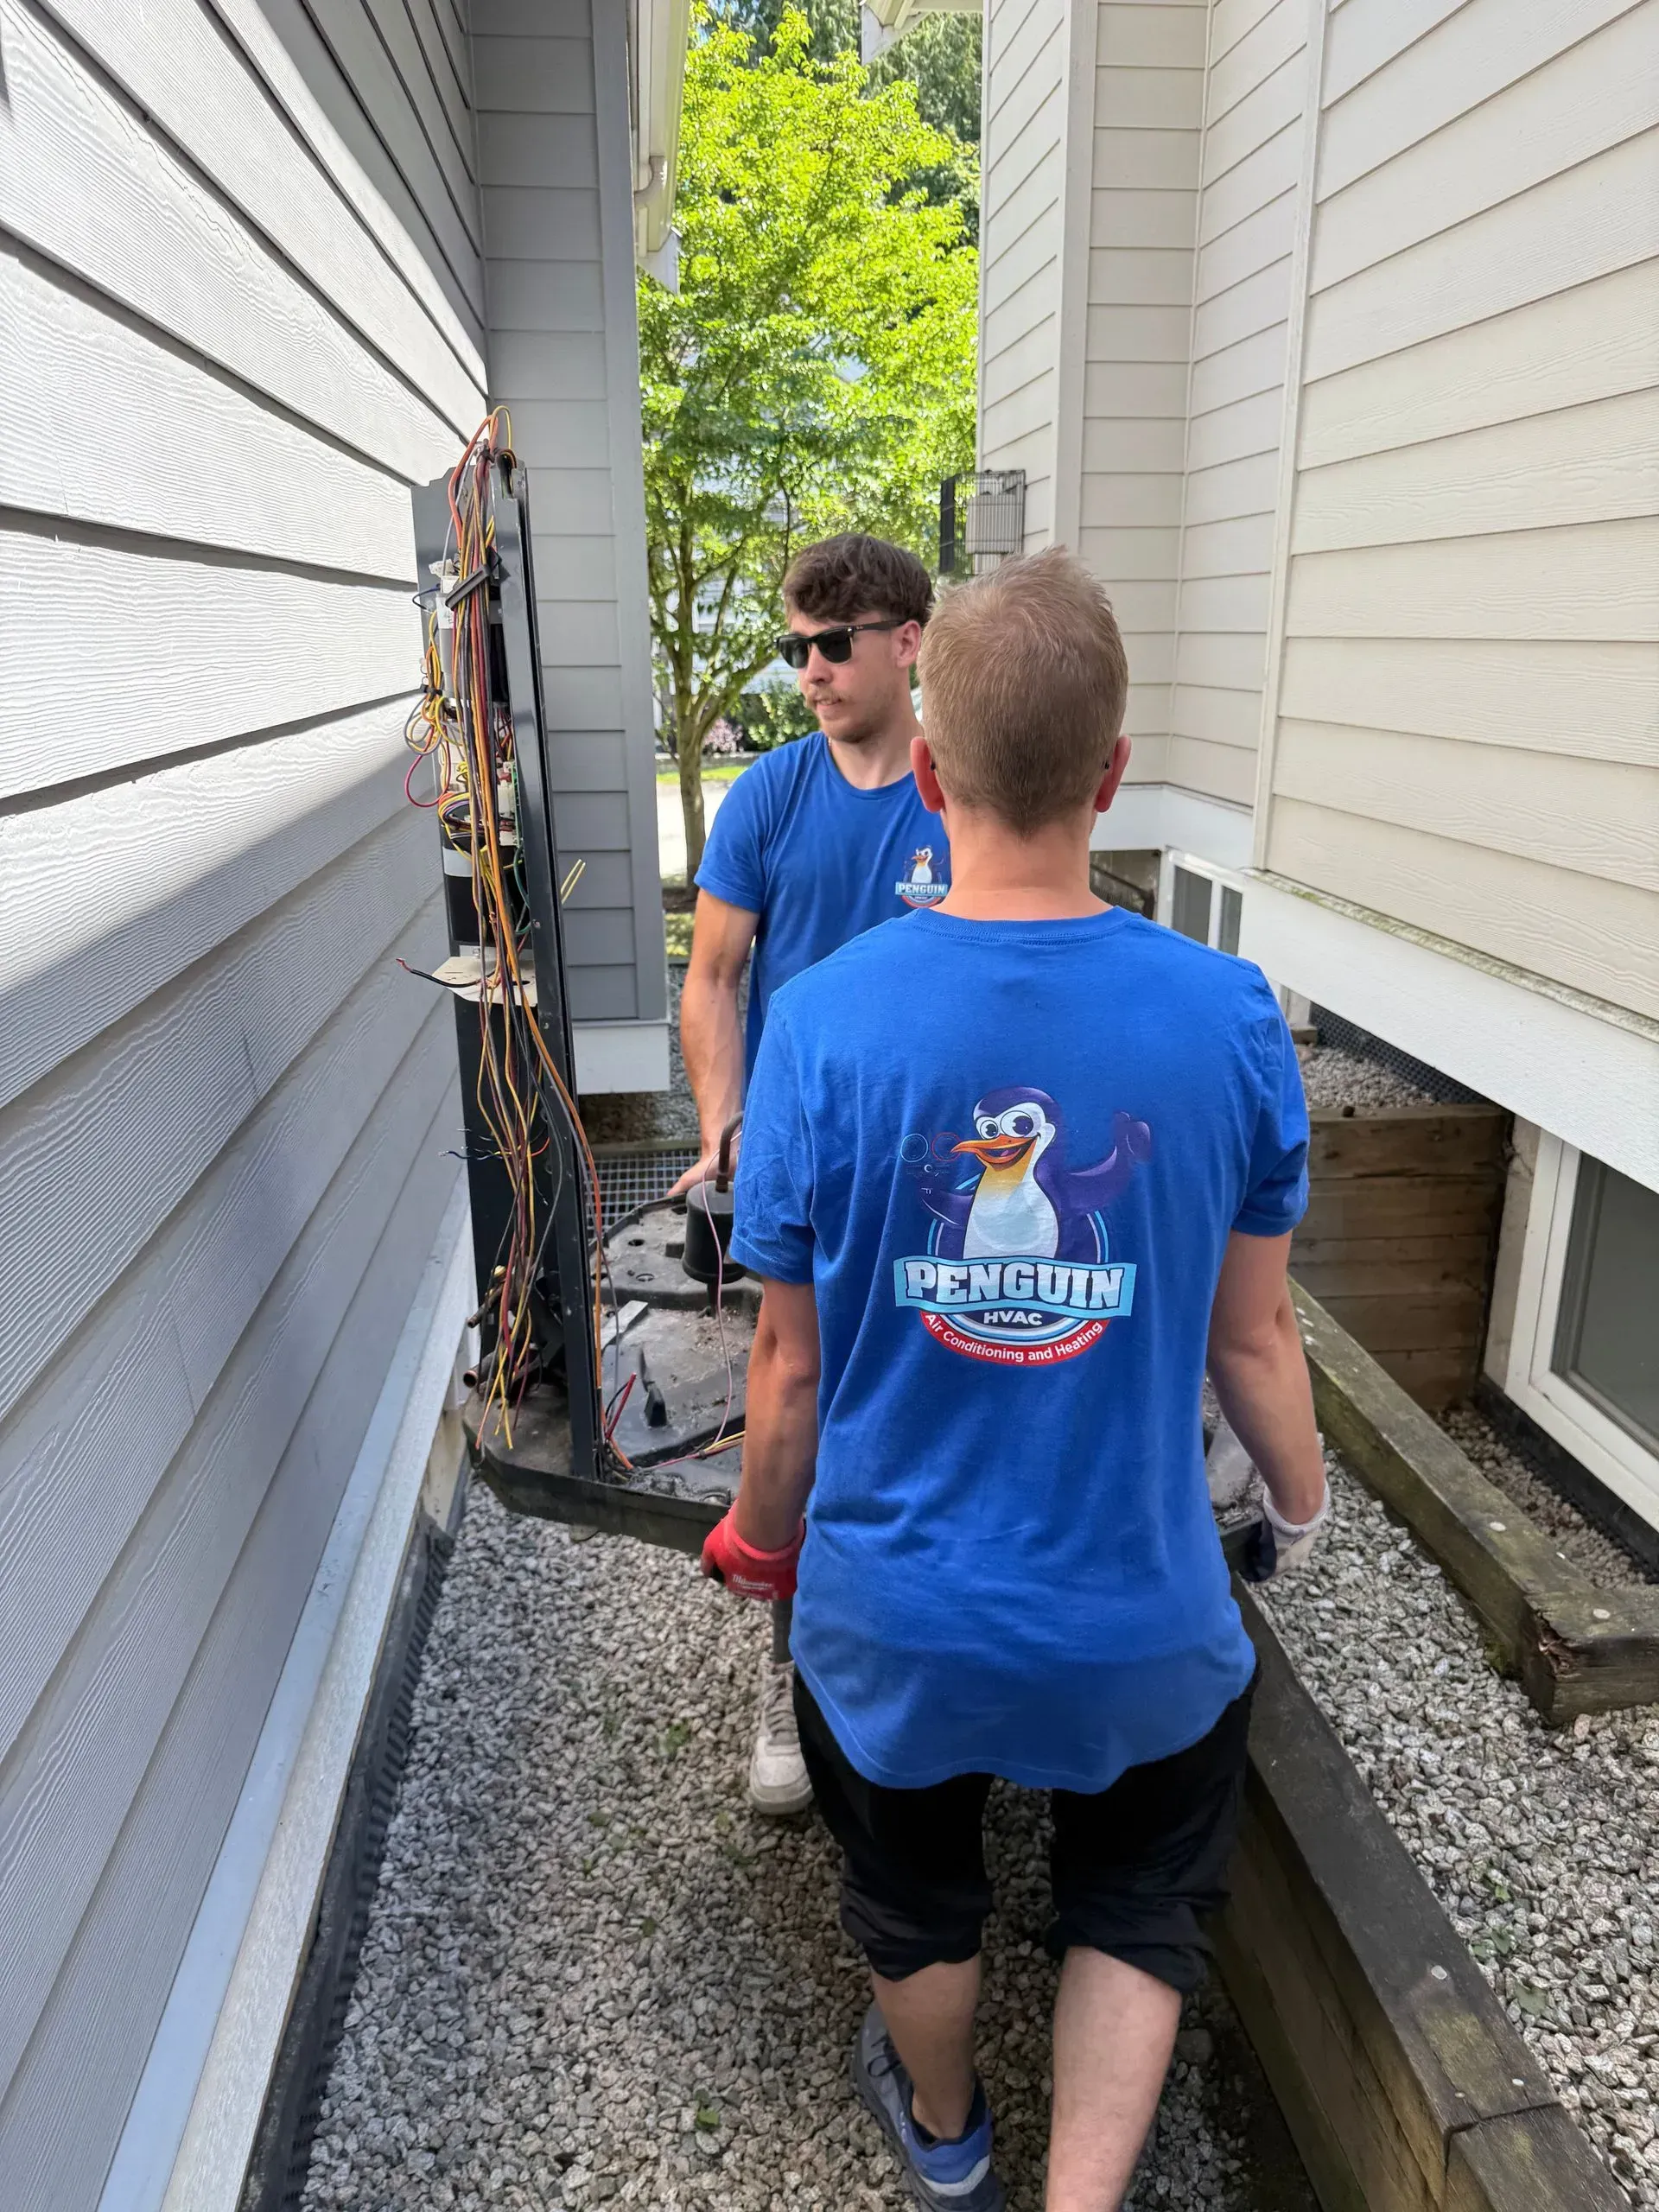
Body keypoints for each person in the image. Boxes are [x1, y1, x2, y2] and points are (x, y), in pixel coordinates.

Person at [699, 550, 1330, 2210]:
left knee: (913, 1886)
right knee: (1140, 1886)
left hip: (892, 1618)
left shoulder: (821, 1027)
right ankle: (1081, 2199)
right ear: (1111, 777)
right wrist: (1304, 1507)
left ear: (929, 766)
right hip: (1136, 1622)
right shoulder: (1231, 1017)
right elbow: (1254, 1342)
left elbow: (786, 1364)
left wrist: (764, 1540)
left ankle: (952, 2130)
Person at [675, 533, 953, 1816]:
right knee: (802, 1427)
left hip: (943, 1177)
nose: (808, 672)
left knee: (931, 1427)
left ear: (908, 641)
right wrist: (724, 1128)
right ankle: (784, 1681)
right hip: (805, 1172)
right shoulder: (771, 798)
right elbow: (715, 978)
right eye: (794, 649)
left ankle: (938, 1690)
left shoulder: (962, 795)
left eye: (832, 646)